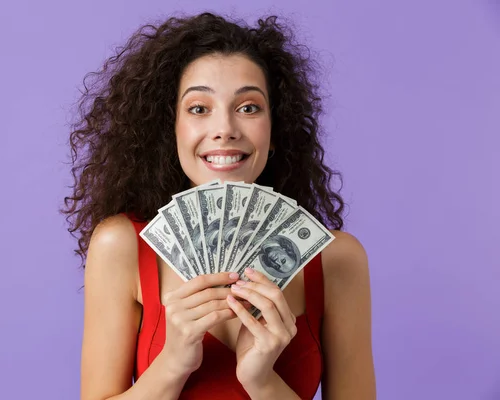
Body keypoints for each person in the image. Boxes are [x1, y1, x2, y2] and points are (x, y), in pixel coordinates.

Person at [62, 12, 376, 400]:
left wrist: (261, 380)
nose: (225, 128)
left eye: (248, 107)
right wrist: (173, 361)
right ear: (171, 129)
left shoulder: (337, 259)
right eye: (199, 108)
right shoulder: (121, 246)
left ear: (275, 129)